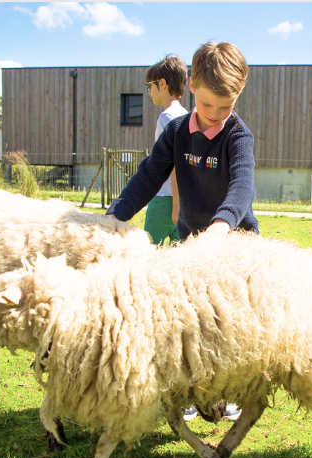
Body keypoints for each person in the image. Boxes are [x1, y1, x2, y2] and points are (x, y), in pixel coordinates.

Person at [107, 41, 257, 422]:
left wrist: (223, 226)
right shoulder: (175, 132)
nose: (215, 115)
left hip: (233, 244)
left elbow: (243, 185)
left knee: (229, 325)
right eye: (208, 105)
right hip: (191, 243)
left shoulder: (238, 136)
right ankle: (191, 391)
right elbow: (146, 178)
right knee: (191, 321)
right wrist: (113, 217)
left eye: (226, 106)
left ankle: (230, 392)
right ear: (192, 86)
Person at [142, 54, 190, 246]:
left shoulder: (166, 118)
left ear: (162, 84)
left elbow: (175, 164)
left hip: (165, 200)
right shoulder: (187, 116)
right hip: (185, 200)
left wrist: (175, 206)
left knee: (149, 254)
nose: (149, 92)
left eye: (149, 86)